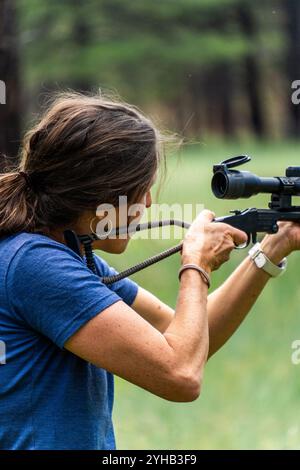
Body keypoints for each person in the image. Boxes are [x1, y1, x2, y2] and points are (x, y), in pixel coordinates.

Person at [0, 92, 299, 450]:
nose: (149, 203)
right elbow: (181, 375)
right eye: (142, 189)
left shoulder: (68, 253)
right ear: (103, 193)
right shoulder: (37, 264)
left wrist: (271, 249)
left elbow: (187, 337)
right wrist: (195, 266)